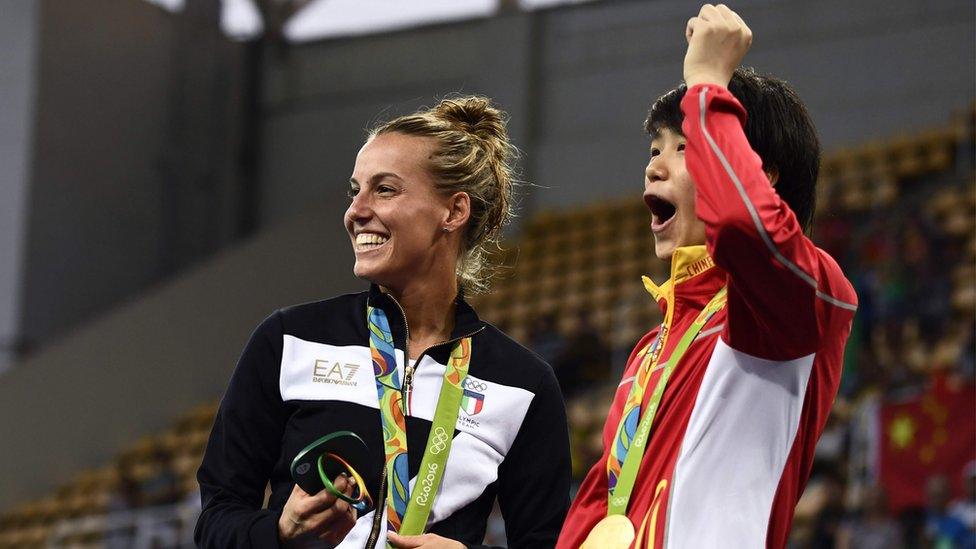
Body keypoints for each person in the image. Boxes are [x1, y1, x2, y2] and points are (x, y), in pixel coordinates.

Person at [195, 96, 571, 548]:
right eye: (356, 190)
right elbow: (215, 520)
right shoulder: (289, 340)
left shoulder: (522, 384)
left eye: (385, 190)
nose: (356, 211)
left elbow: (548, 541)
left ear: (453, 212)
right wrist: (277, 532)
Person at [557, 4, 857, 548]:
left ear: (760, 173)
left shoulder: (796, 305)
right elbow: (593, 516)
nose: (654, 166)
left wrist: (707, 81)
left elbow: (746, 226)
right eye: (654, 150)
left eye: (684, 146)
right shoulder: (650, 350)